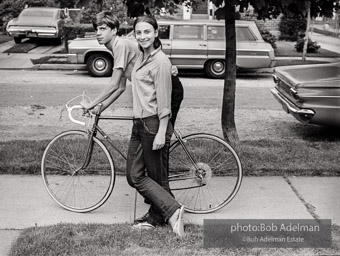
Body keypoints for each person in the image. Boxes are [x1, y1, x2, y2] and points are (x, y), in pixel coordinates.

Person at [126, 15, 185, 237]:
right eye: (138, 32)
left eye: (147, 32)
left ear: (156, 32)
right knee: (134, 175)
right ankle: (165, 211)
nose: (142, 36)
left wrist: (162, 131)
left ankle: (168, 211)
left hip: (152, 123)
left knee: (155, 177)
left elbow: (164, 102)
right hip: (139, 123)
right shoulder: (142, 56)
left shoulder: (160, 62)